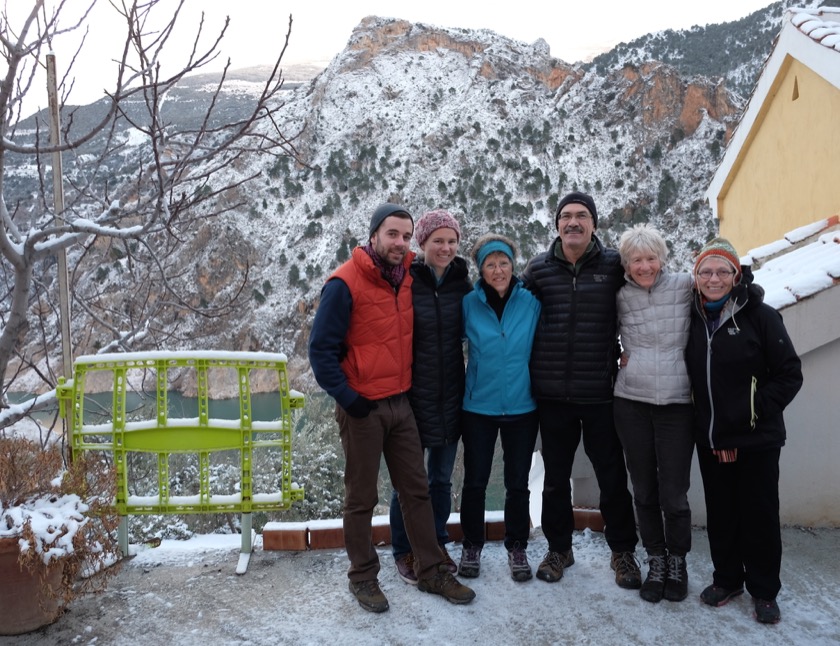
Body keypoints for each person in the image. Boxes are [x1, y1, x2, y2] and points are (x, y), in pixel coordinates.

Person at [308, 203, 475, 613]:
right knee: (361, 497)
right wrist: (349, 398)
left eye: (405, 235)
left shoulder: (406, 280)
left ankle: (431, 569)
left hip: (401, 402)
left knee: (416, 491)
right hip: (362, 406)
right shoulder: (344, 283)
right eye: (392, 234)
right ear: (374, 236)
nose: (399, 242)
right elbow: (320, 351)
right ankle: (363, 577)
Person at [522, 191, 641, 589]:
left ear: (594, 224)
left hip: (601, 393)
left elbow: (649, 293)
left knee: (612, 476)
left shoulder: (614, 266)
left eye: (582, 215)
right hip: (552, 395)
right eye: (566, 216)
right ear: (557, 224)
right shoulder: (538, 270)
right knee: (555, 479)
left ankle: (622, 551)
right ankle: (560, 549)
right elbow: (510, 308)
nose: (573, 222)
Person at [685, 238, 802, 625]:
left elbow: (789, 374)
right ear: (696, 277)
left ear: (736, 275)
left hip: (756, 439)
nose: (713, 278)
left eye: (722, 271)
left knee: (759, 515)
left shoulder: (761, 316)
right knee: (722, 513)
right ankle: (728, 579)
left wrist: (749, 414)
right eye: (705, 271)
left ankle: (764, 591)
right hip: (712, 437)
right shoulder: (692, 318)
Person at [613, 224, 694, 603]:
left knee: (674, 493)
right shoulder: (618, 295)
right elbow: (596, 333)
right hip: (631, 401)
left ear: (662, 259)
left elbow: (721, 291)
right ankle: (656, 559)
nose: (644, 267)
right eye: (636, 260)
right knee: (644, 490)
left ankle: (678, 562)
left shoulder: (684, 286)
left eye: (650, 258)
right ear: (626, 264)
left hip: (677, 403)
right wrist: (617, 357)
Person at [389, 210, 471, 584]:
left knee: (441, 480)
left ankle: (436, 543)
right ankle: (403, 548)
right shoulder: (406, 280)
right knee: (407, 482)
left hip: (451, 393)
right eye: (438, 240)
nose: (445, 248)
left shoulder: (462, 284)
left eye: (452, 241)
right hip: (411, 396)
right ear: (422, 243)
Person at [457, 234, 542, 582]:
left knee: (517, 483)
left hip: (523, 405)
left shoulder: (531, 302)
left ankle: (517, 546)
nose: (498, 270)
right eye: (490, 264)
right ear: (481, 270)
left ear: (513, 265)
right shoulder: (468, 304)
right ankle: (471, 546)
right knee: (475, 482)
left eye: (503, 262)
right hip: (479, 406)